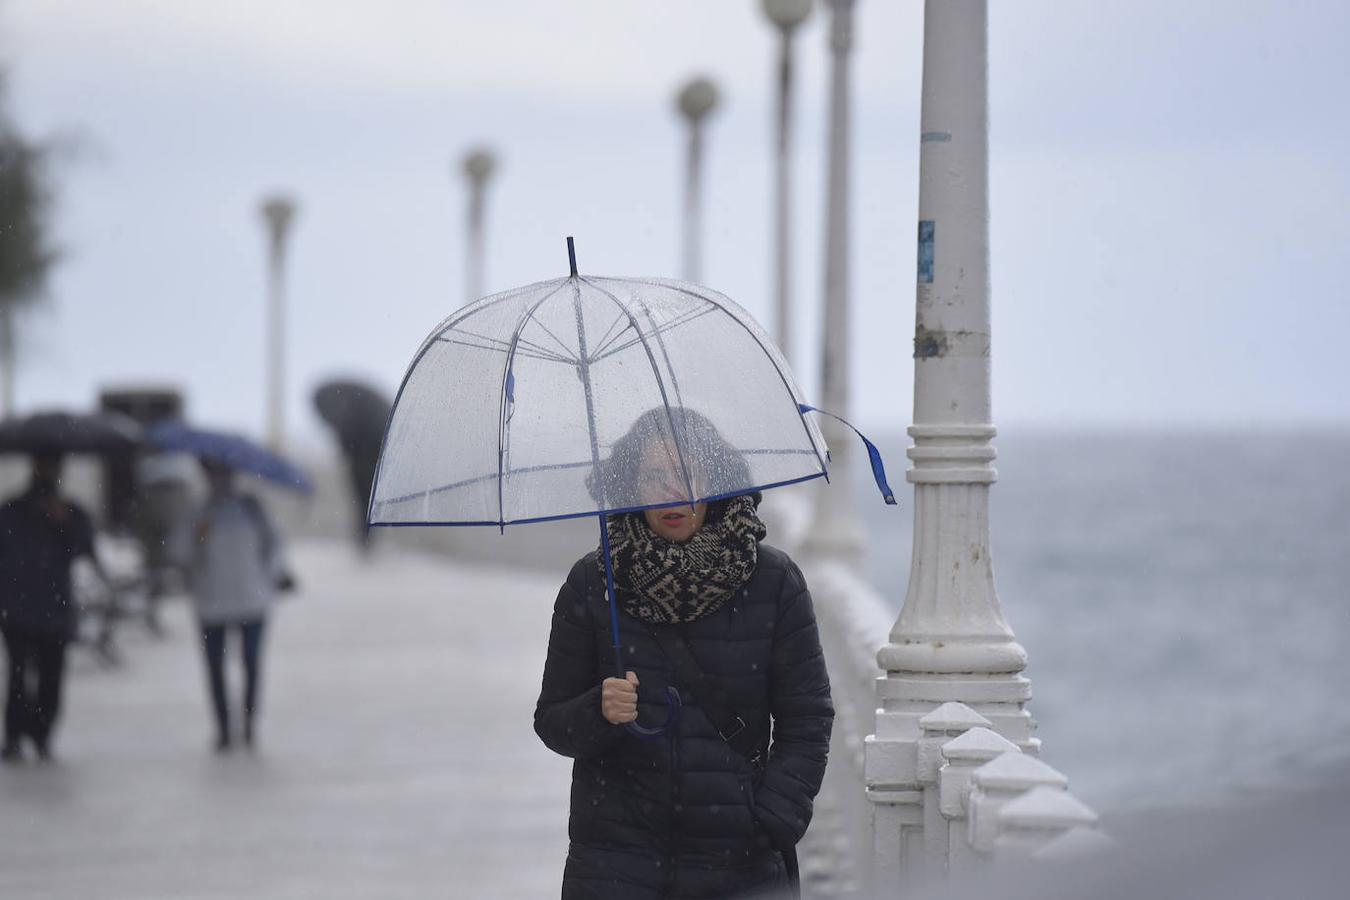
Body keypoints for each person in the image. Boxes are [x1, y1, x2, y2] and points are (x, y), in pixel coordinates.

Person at [534, 409, 834, 899]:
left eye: (687, 473)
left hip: (738, 864)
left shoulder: (773, 581)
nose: (671, 492)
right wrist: (598, 710)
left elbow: (808, 718)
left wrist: (774, 820)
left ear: (716, 478)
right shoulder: (593, 582)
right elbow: (551, 721)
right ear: (630, 486)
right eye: (653, 476)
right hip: (614, 864)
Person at [0, 452, 105, 763]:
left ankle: (41, 735)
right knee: (18, 676)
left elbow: (85, 547)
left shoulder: (69, 511)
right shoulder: (12, 510)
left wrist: (65, 523)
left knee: (51, 676)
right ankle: (16, 735)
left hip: (53, 607)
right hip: (17, 606)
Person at [189, 459, 287, 752]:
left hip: (252, 599)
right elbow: (182, 551)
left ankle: (249, 724)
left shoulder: (251, 507)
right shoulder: (199, 510)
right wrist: (199, 535)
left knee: (251, 663)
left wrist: (269, 577)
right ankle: (223, 728)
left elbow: (274, 545)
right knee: (215, 668)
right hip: (211, 602)